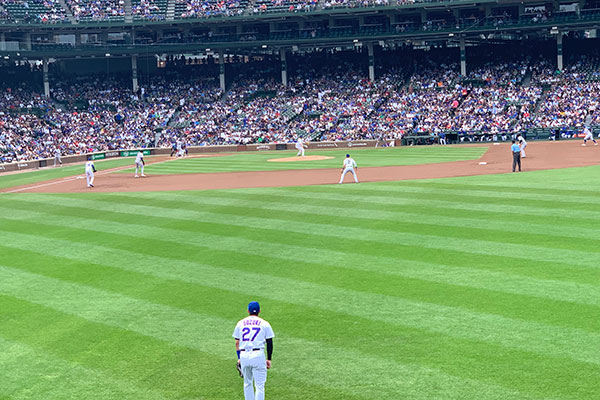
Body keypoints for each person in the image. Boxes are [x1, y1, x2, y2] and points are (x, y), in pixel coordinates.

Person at [233, 301, 274, 400]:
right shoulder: (264, 323)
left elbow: (237, 343)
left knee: (247, 383)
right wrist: (269, 359)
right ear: (259, 311)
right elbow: (269, 343)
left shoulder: (240, 323)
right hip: (258, 355)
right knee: (259, 386)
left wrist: (239, 358)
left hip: (244, 355)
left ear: (248, 311)